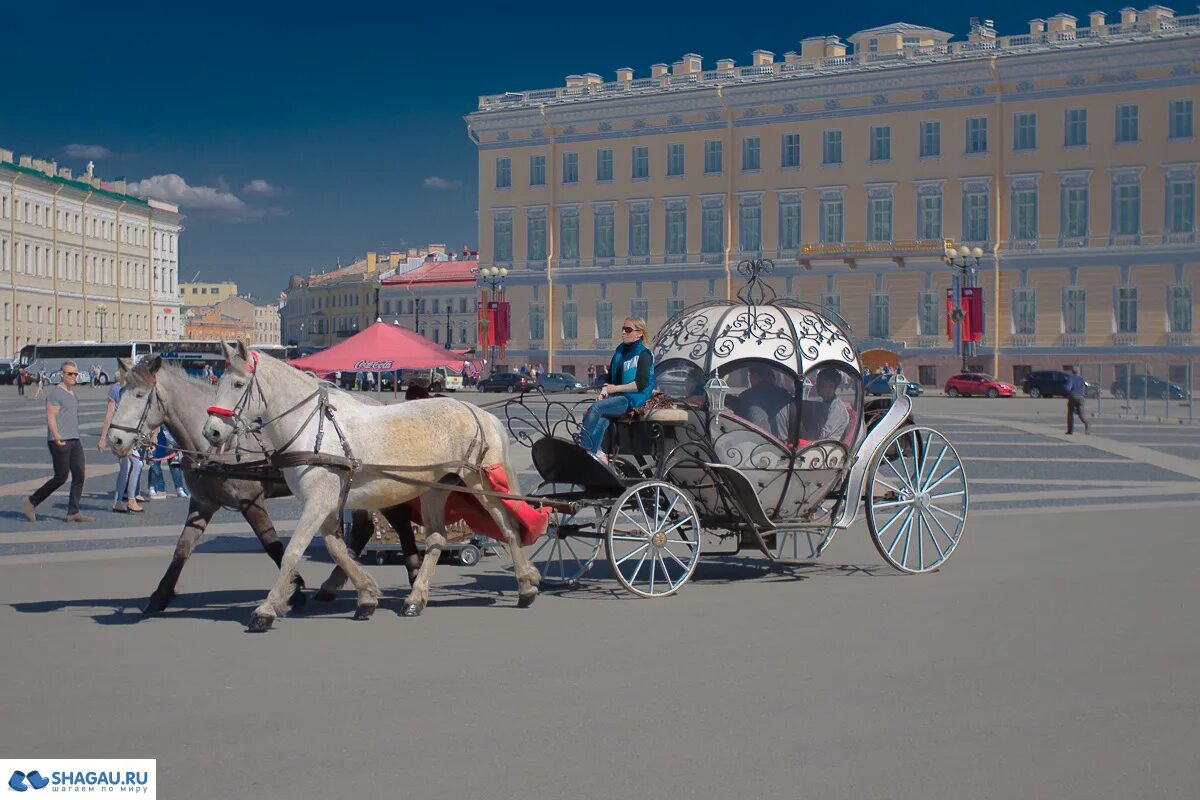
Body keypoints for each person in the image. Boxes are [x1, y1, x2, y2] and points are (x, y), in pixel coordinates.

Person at [579, 317, 655, 462]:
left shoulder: (644, 354)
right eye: (623, 329)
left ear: (640, 333)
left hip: (633, 399)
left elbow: (641, 384)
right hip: (617, 397)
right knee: (601, 420)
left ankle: (583, 445)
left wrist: (614, 389)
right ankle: (595, 453)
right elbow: (610, 377)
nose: (623, 333)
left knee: (596, 409)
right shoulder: (620, 351)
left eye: (628, 329)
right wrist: (604, 391)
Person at [25, 361, 92, 523]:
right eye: (70, 374)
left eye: (75, 374)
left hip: (74, 440)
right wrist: (56, 435)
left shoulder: (72, 393)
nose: (73, 377)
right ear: (62, 374)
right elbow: (51, 416)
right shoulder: (56, 393)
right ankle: (32, 502)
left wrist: (77, 436)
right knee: (61, 477)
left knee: (79, 475)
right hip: (59, 440)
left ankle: (73, 512)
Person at [98, 371, 144, 513]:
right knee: (137, 463)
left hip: (128, 433)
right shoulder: (117, 389)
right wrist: (103, 437)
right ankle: (130, 499)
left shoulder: (132, 389)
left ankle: (119, 501)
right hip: (119, 434)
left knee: (126, 466)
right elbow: (109, 413)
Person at [737, 363, 794, 439]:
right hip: (783, 448)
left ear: (753, 377)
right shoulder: (786, 396)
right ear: (773, 378)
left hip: (755, 446)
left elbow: (738, 427)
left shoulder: (745, 396)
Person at [799, 368, 851, 443]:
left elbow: (824, 433)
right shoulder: (826, 403)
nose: (817, 386)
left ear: (831, 386)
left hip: (829, 447)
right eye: (817, 383)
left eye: (821, 384)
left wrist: (806, 437)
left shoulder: (836, 407)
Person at [146, 427, 189, 498]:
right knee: (156, 464)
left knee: (172, 464)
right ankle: (154, 488)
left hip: (167, 439)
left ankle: (177, 488)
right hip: (163, 438)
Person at [1065, 366, 1090, 435]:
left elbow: (1068, 388)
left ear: (1072, 372)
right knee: (1081, 414)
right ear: (1078, 371)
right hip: (1081, 397)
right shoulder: (1082, 379)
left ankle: (1070, 430)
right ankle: (1087, 424)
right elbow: (1085, 387)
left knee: (1070, 413)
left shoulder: (1071, 378)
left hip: (1073, 397)